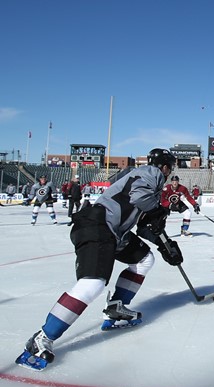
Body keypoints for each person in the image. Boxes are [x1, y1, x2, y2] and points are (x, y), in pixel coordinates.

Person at [16, 148, 182, 371]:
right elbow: (140, 198)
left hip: (114, 233)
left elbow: (144, 224)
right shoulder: (149, 172)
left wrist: (165, 245)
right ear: (164, 166)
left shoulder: (148, 183)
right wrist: (160, 209)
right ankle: (41, 339)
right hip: (97, 225)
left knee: (144, 260)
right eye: (170, 167)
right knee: (92, 283)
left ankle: (116, 306)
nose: (169, 172)